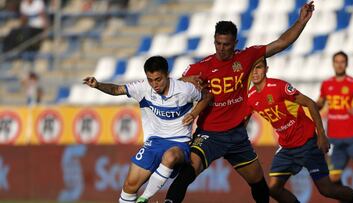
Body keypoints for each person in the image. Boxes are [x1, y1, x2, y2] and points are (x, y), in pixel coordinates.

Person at [165, 2, 316, 203]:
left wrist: (301, 21)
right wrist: (186, 81)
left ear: (235, 42)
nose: (221, 48)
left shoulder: (246, 57)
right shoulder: (201, 67)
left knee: (258, 182)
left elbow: (281, 43)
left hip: (237, 135)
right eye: (217, 43)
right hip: (209, 133)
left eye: (226, 44)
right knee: (189, 171)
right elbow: (173, 86)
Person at [83, 56, 212, 203]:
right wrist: (98, 85)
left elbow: (207, 97)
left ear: (167, 75)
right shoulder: (143, 88)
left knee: (170, 157)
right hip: (154, 143)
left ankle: (144, 198)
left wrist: (194, 113)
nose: (154, 84)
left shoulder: (185, 89)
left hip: (179, 142)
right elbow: (117, 89)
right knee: (129, 186)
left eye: (158, 79)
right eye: (150, 80)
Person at [247, 58, 353, 203]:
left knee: (327, 190)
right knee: (274, 189)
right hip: (286, 148)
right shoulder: (250, 97)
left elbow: (310, 104)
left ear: (266, 69)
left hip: (308, 144)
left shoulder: (279, 87)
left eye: (259, 67)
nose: (255, 72)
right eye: (252, 69)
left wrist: (321, 135)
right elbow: (242, 121)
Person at [317, 51, 353, 194]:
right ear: (333, 64)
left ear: (346, 64)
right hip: (334, 138)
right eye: (337, 61)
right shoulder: (326, 84)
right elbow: (320, 103)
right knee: (334, 179)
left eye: (342, 61)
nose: (340, 64)